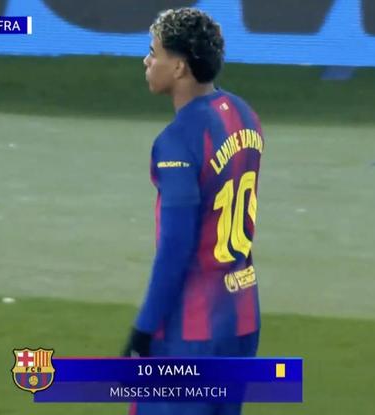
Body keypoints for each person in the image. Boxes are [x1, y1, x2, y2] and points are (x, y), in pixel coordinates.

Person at [121, 7, 265, 415]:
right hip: (242, 317)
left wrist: (144, 327)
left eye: (154, 53)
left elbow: (175, 247)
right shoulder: (245, 116)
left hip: (193, 327)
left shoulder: (177, 141)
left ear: (179, 67)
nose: (147, 61)